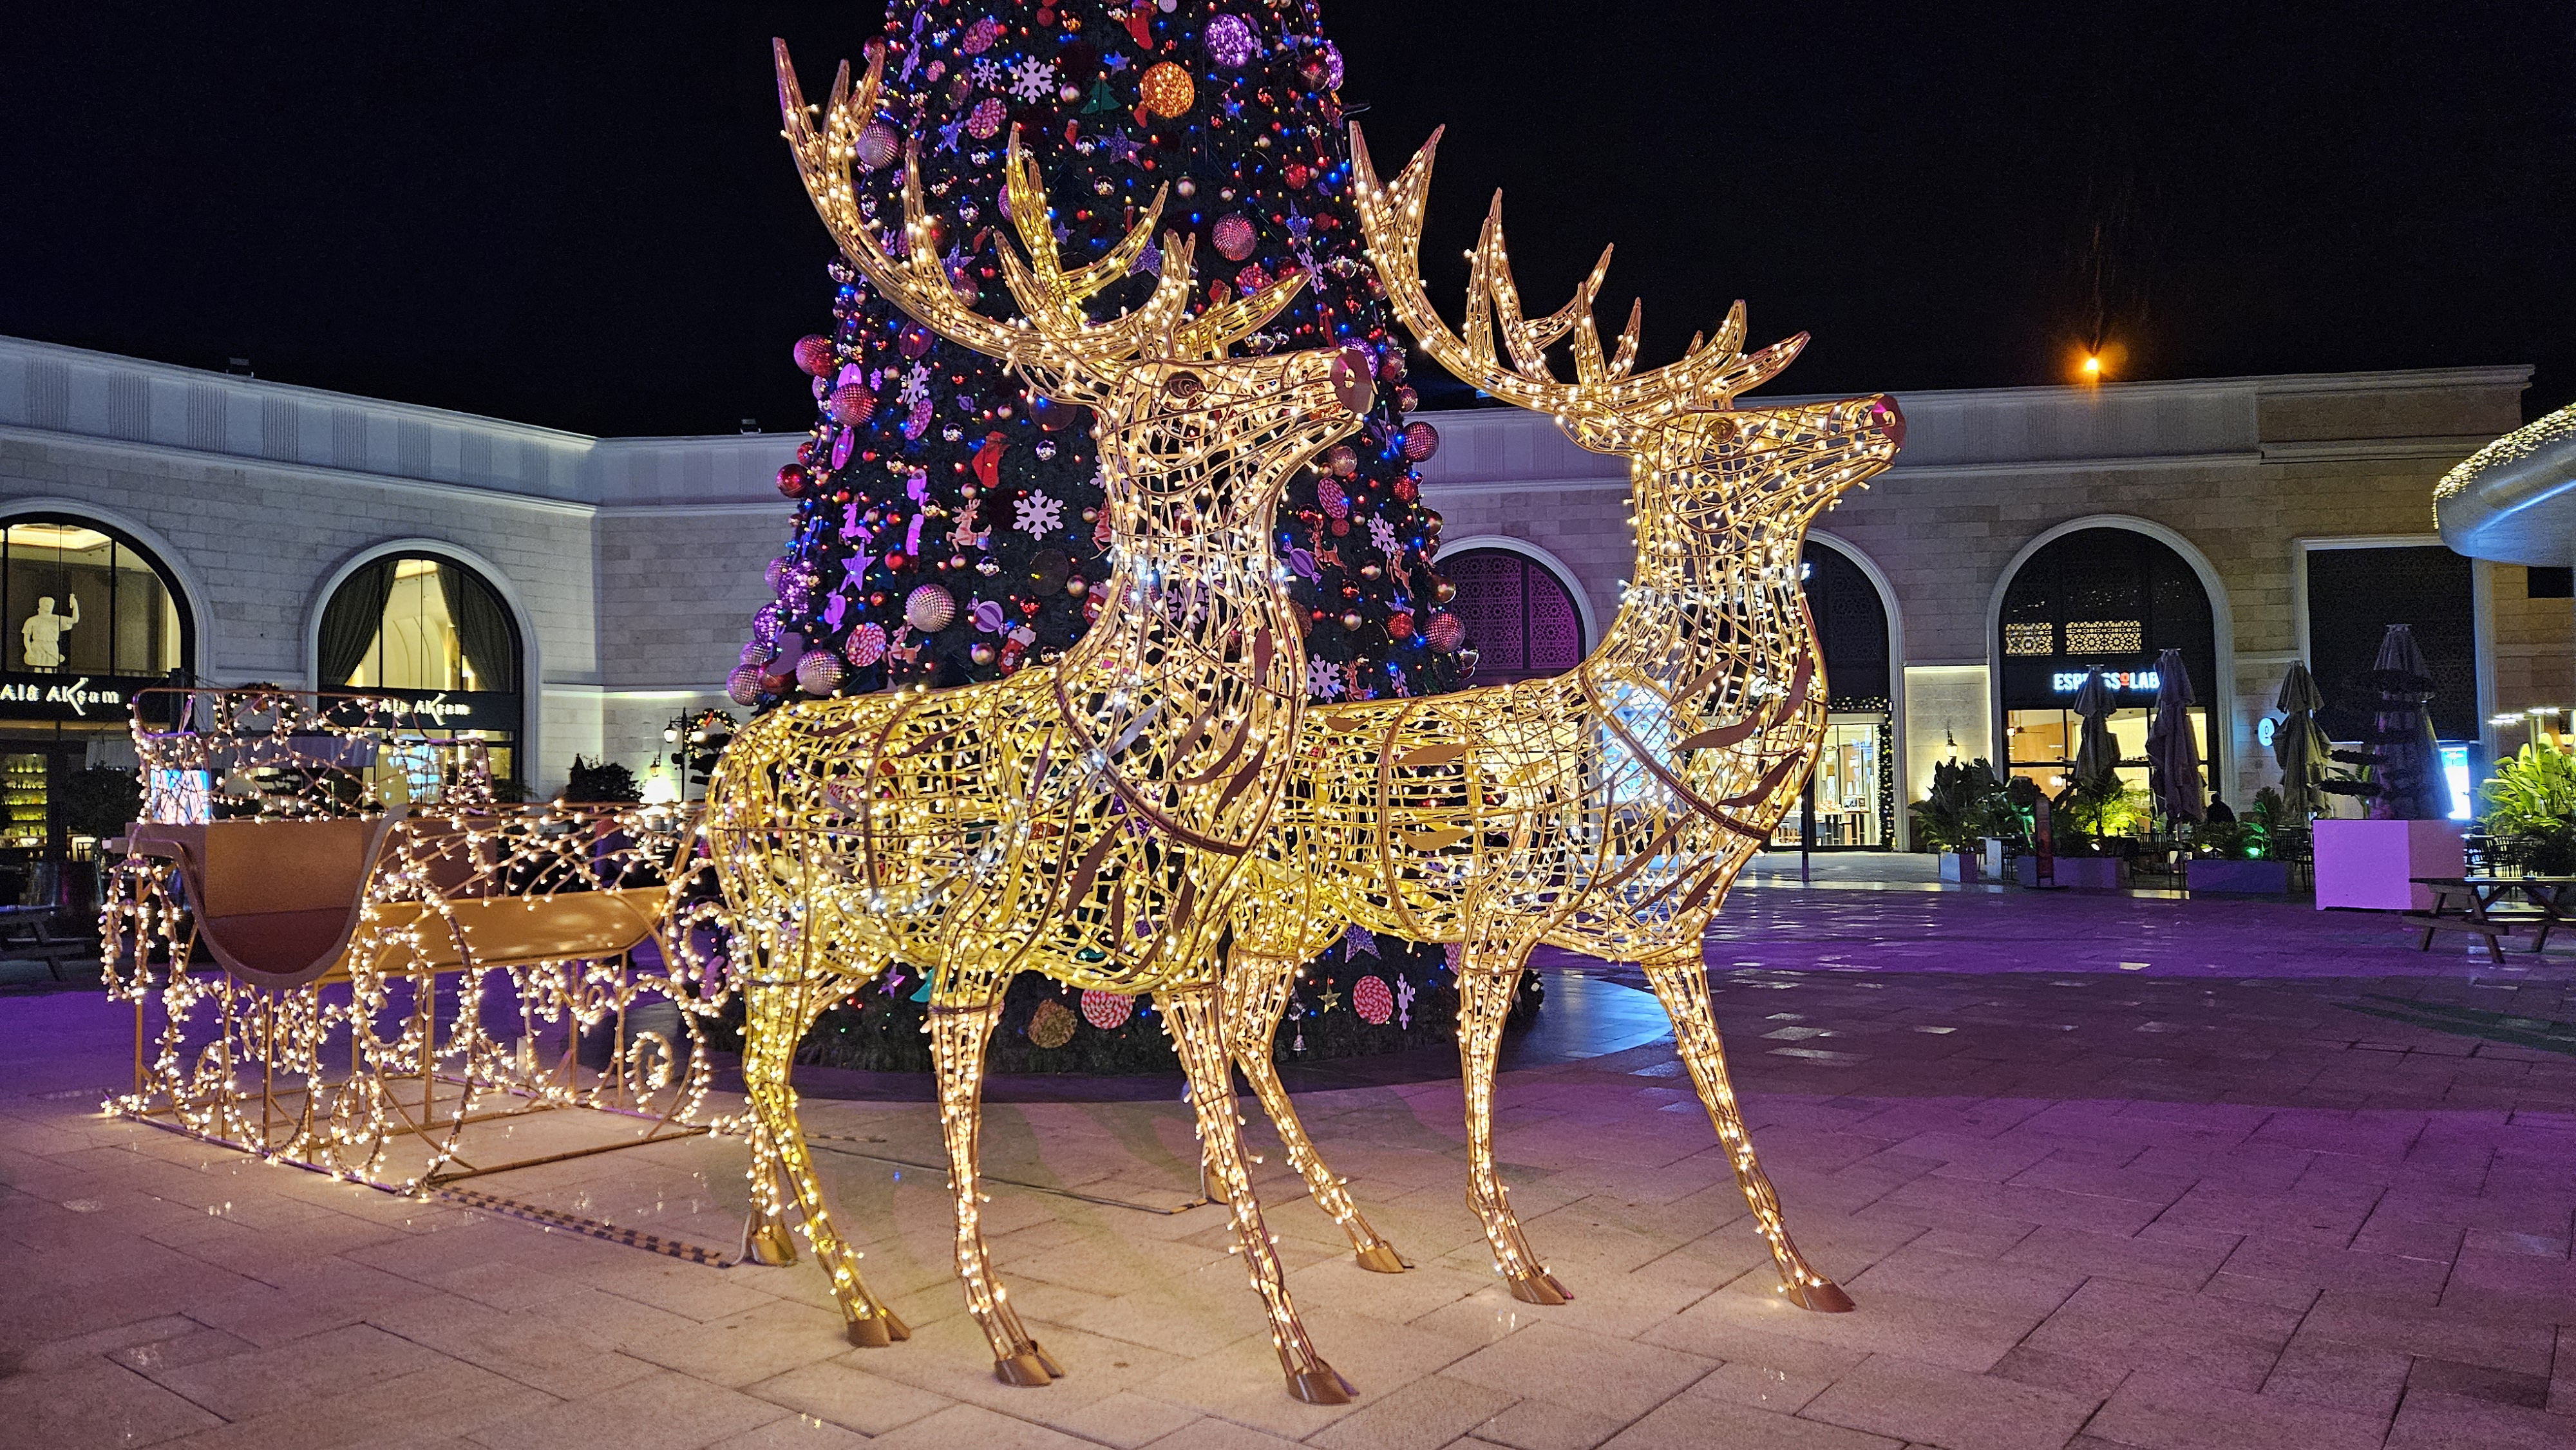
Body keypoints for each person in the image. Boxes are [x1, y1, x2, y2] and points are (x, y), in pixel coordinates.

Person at [21, 594, 77, 670]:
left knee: (50, 668)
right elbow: (26, 638)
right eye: (46, 603)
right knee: (37, 668)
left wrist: (75, 606)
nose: (49, 605)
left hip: (52, 646)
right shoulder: (32, 621)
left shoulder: (57, 619)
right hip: (37, 646)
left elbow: (74, 620)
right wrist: (30, 652)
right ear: (41, 605)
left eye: (51, 603)